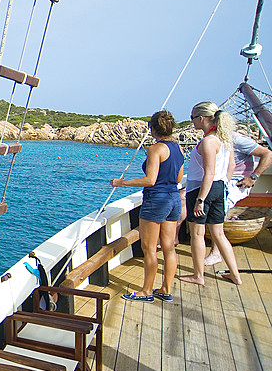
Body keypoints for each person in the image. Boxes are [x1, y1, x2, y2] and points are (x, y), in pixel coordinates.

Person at [111, 110, 184, 302]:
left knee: (149, 248)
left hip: (156, 201)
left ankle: (146, 291)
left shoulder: (155, 149)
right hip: (174, 199)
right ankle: (166, 289)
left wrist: (122, 183)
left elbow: (150, 180)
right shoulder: (178, 149)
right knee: (169, 248)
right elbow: (177, 178)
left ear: (153, 128)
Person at [177, 101, 242, 286]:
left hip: (202, 189)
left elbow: (209, 173)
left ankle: (198, 276)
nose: (192, 122)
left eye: (192, 118)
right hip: (219, 188)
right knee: (219, 234)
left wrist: (200, 199)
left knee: (197, 234)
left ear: (202, 118)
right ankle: (235, 275)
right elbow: (230, 167)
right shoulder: (224, 139)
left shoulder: (208, 142)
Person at [202, 132, 272, 265]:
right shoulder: (211, 138)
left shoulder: (237, 139)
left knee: (220, 203)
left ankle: (216, 252)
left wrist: (253, 177)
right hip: (222, 180)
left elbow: (268, 154)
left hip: (238, 181)